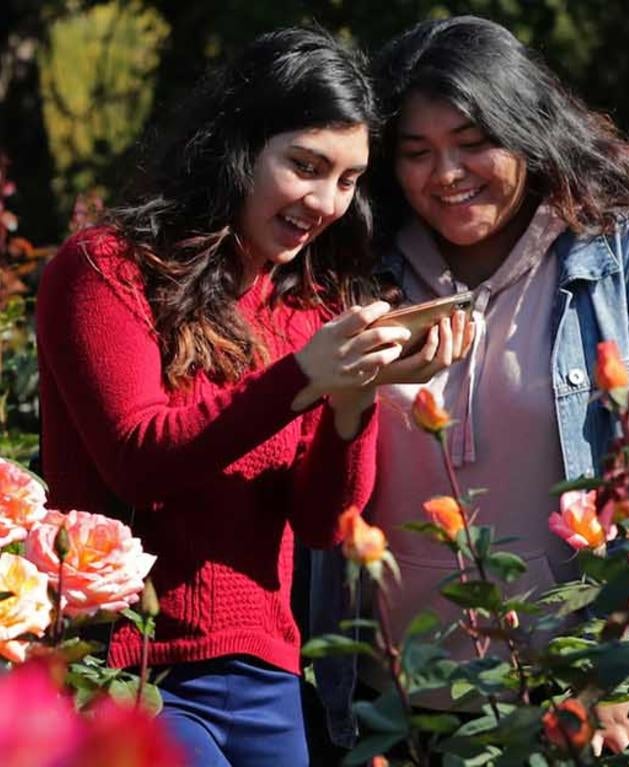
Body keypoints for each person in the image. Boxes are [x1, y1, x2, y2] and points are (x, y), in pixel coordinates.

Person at [309, 14, 629, 756]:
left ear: (527, 130)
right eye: (415, 153)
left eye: (474, 144)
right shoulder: (352, 263)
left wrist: (615, 675)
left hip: (576, 706)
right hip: (392, 706)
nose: (445, 174)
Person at [35, 27, 420, 767]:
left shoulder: (305, 309)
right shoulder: (107, 269)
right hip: (134, 667)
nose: (326, 202)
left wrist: (352, 398)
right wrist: (300, 375)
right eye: (304, 166)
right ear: (240, 145)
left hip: (265, 675)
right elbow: (137, 459)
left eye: (347, 179)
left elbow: (319, 523)